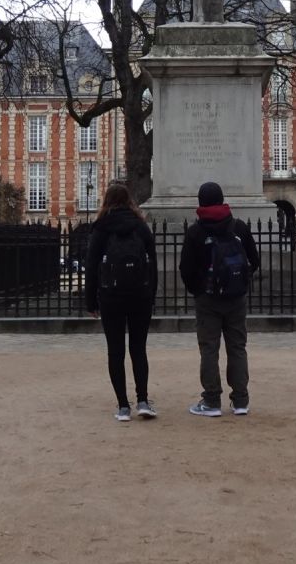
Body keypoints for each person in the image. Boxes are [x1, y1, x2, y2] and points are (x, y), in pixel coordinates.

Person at [179, 181, 260, 417]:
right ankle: (241, 400)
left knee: (209, 349)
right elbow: (253, 261)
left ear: (201, 202)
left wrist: (199, 290)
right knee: (237, 347)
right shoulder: (238, 228)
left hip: (208, 300)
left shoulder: (196, 231)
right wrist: (240, 284)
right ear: (223, 199)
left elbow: (185, 267)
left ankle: (212, 401)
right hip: (236, 298)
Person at [84, 184, 159, 422]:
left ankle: (123, 406)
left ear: (107, 201)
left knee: (115, 351)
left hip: (111, 296)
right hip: (140, 295)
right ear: (130, 201)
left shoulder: (101, 228)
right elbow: (152, 264)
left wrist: (91, 301)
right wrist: (151, 293)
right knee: (138, 349)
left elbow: (92, 267)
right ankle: (143, 401)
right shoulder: (141, 227)